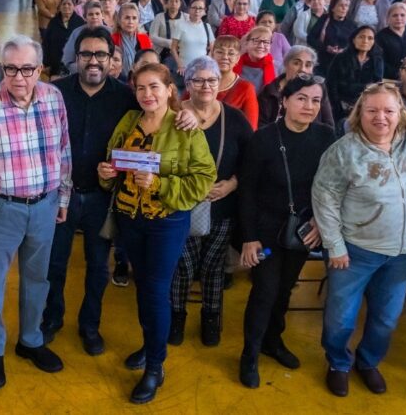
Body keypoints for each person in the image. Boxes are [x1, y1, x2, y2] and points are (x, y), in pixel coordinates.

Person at [0, 36, 71, 389]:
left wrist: (62, 197)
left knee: (38, 279)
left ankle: (30, 340)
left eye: (27, 69)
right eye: (11, 69)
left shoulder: (54, 98)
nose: (19, 77)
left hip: (45, 206)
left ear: (40, 69)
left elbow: (64, 151)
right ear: (2, 68)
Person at [98, 62, 216, 404]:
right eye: (140, 88)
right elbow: (113, 165)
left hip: (165, 221)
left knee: (154, 289)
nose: (147, 94)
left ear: (169, 90)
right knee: (143, 286)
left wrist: (160, 183)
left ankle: (155, 366)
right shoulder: (128, 122)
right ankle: (151, 345)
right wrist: (106, 171)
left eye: (154, 87)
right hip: (129, 219)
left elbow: (203, 177)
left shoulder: (185, 127)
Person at [314, 82, 406, 397]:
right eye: (373, 110)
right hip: (354, 252)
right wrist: (335, 246)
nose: (381, 117)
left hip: (404, 252)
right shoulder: (344, 151)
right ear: (359, 114)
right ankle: (338, 363)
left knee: (386, 318)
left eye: (389, 110)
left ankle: (368, 362)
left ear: (400, 114)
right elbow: (324, 199)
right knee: (341, 318)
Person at [44, 28, 139, 355]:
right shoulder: (55, 92)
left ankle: (90, 325)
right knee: (54, 263)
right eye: (87, 54)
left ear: (113, 60)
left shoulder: (125, 97)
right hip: (61, 195)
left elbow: (158, 115)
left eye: (101, 54)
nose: (93, 61)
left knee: (98, 266)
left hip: (102, 197)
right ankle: (52, 318)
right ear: (77, 58)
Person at [238, 75, 335, 388]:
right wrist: (248, 237)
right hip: (265, 230)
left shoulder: (325, 138)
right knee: (264, 292)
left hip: (303, 231)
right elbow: (247, 192)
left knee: (284, 290)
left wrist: (321, 224)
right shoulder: (264, 139)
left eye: (316, 100)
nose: (309, 106)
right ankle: (250, 354)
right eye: (302, 98)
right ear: (285, 101)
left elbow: (331, 188)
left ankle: (273, 341)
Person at [168, 56, 253, 349]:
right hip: (182, 205)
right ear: (187, 84)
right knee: (183, 265)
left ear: (220, 84)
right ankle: (176, 316)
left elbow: (251, 163)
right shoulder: (174, 115)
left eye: (212, 80)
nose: (206, 86)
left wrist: (231, 185)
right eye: (198, 80)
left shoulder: (235, 119)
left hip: (222, 206)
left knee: (213, 267)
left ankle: (211, 317)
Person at [257, 45, 334, 127]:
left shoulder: (319, 89)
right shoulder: (270, 91)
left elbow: (329, 125)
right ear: (286, 64)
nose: (302, 69)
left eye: (308, 65)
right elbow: (262, 126)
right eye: (296, 63)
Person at [326, 26, 384, 123]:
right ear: (354, 39)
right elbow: (332, 85)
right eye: (361, 37)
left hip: (366, 106)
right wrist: (337, 107)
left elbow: (376, 85)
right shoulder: (341, 58)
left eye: (370, 38)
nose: (365, 41)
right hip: (341, 106)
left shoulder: (377, 60)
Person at [211, 36, 260, 129]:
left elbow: (251, 128)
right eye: (220, 52)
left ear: (237, 58)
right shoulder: (199, 82)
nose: (225, 57)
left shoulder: (246, 88)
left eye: (231, 53)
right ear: (212, 55)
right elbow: (181, 109)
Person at [308, 0, 356, 74]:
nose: (344, 8)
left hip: (344, 64)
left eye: (346, 6)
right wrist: (326, 48)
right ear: (333, 8)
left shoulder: (351, 25)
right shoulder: (324, 20)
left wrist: (344, 50)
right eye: (341, 5)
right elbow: (310, 38)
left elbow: (355, 44)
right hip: (324, 63)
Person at [374, 3, 406, 80]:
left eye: (402, 15)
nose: (399, 18)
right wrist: (399, 74)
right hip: (388, 79)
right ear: (388, 19)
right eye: (395, 15)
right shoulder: (380, 37)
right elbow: (379, 62)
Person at [171, 0, 214, 78]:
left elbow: (212, 48)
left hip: (202, 68)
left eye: (200, 8)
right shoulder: (180, 25)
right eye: (194, 8)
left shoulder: (207, 27)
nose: (197, 11)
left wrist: (207, 63)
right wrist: (180, 65)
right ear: (189, 9)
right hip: (184, 68)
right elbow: (173, 48)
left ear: (204, 11)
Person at [42, 0, 85, 75]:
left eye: (69, 4)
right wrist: (46, 63)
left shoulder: (80, 22)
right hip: (55, 64)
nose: (66, 6)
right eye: (64, 4)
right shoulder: (53, 22)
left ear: (74, 6)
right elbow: (46, 43)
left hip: (74, 65)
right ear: (60, 6)